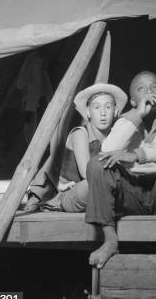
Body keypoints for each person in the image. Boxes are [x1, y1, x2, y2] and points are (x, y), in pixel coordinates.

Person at [84, 71, 156, 280]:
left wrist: (138, 155)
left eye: (154, 88)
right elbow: (107, 149)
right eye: (141, 89)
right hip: (130, 192)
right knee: (96, 163)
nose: (149, 92)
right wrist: (138, 116)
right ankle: (110, 240)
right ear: (133, 100)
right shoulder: (126, 121)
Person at [42, 83, 127, 212]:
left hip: (106, 187)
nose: (103, 113)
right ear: (88, 111)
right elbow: (87, 173)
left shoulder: (115, 134)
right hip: (74, 191)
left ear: (115, 111)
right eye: (97, 107)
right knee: (91, 186)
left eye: (108, 107)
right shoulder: (80, 133)